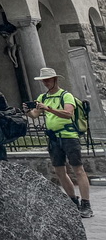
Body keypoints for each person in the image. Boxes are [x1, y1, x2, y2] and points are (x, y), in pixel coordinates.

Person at [28, 67, 92, 218]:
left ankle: (86, 204)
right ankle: (73, 201)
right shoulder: (43, 97)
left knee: (78, 169)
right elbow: (34, 115)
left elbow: (68, 114)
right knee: (59, 171)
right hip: (54, 138)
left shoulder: (66, 95)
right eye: (43, 80)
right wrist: (28, 111)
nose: (45, 83)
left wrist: (47, 108)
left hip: (69, 136)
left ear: (55, 79)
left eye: (48, 80)